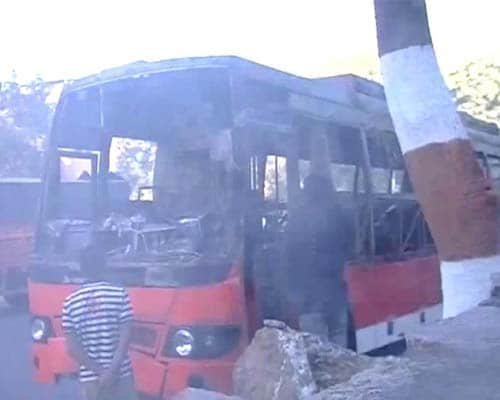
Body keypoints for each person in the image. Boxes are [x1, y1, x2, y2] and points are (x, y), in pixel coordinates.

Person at [62, 244, 137, 400]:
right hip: (121, 375)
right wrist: (111, 372)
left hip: (90, 380)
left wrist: (100, 372)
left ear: (82, 269)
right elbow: (126, 338)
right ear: (104, 266)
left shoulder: (70, 303)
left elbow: (72, 349)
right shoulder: (120, 294)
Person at [285, 174, 352, 345]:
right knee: (340, 353)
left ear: (306, 192)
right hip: (337, 296)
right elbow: (349, 246)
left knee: (318, 353)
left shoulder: (298, 219)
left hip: (311, 301)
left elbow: (289, 257)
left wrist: (293, 294)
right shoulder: (340, 214)